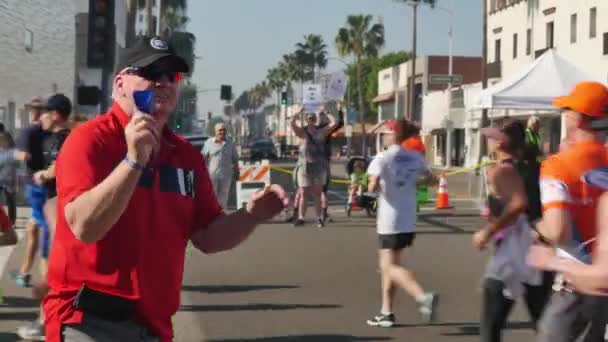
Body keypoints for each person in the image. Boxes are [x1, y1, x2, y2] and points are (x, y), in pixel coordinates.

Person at [42, 36, 288, 342]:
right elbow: (84, 227)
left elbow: (208, 235)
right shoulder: (90, 141)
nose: (163, 82)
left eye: (171, 75)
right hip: (89, 320)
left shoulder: (185, 156)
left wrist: (250, 215)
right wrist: (133, 161)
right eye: (151, 73)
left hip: (153, 324)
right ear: (120, 84)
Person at [524, 81, 608, 342]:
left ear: (578, 118)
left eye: (567, 110)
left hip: (576, 282)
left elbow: (557, 230)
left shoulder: (558, 165)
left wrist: (536, 229)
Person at [472, 121, 549, 342]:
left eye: (490, 137)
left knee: (490, 324)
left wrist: (488, 231)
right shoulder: (529, 167)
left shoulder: (503, 170)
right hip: (533, 248)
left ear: (500, 143)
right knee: (543, 321)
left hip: (514, 251)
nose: (487, 141)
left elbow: (518, 204)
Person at [365, 119, 439, 328]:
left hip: (389, 218)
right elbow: (432, 180)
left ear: (393, 134)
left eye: (387, 132)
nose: (385, 135)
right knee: (392, 264)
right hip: (408, 217)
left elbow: (372, 185)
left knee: (387, 267)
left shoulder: (382, 157)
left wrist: (370, 191)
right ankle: (387, 312)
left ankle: (422, 296)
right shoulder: (415, 156)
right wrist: (409, 182)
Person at [17, 93, 72, 341]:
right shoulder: (52, 138)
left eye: (46, 113)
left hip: (61, 209)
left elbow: (62, 164)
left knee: (50, 271)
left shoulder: (67, 138)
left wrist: (45, 175)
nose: (42, 118)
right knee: (49, 265)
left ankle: (45, 322)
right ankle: (48, 320)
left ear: (56, 115)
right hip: (54, 208)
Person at [12, 96, 49, 288]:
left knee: (44, 228)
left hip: (35, 183)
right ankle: (24, 272)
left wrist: (12, 154)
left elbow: (22, 155)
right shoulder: (52, 131)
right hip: (49, 182)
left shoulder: (29, 131)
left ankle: (46, 280)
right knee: (33, 227)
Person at [290, 106, 338, 228]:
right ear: (306, 119)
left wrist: (326, 112)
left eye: (313, 117)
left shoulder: (321, 132)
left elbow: (334, 123)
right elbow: (292, 123)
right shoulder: (302, 132)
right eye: (309, 117)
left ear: (315, 119)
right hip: (304, 166)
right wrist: (298, 113)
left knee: (317, 193)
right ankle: (301, 217)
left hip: (319, 166)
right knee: (303, 192)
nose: (311, 119)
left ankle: (319, 218)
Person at [317, 102, 344, 223]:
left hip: (318, 162)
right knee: (315, 190)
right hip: (318, 162)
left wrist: (338, 110)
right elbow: (338, 123)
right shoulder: (320, 130)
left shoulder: (320, 129)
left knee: (319, 190)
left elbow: (339, 124)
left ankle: (322, 214)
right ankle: (321, 214)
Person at [202, 122, 239, 209]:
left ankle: (221, 216)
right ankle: (212, 215)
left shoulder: (230, 144)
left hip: (225, 175)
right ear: (215, 132)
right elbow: (203, 159)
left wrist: (237, 172)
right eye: (220, 130)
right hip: (212, 175)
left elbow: (235, 159)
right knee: (212, 196)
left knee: (223, 197)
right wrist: (202, 173)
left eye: (224, 130)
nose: (222, 132)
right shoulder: (208, 143)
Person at [0, 131, 19, 225]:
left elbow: (19, 165)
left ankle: (12, 221)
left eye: (3, 139)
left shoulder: (14, 151)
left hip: (10, 180)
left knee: (11, 201)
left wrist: (20, 175)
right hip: (1, 180)